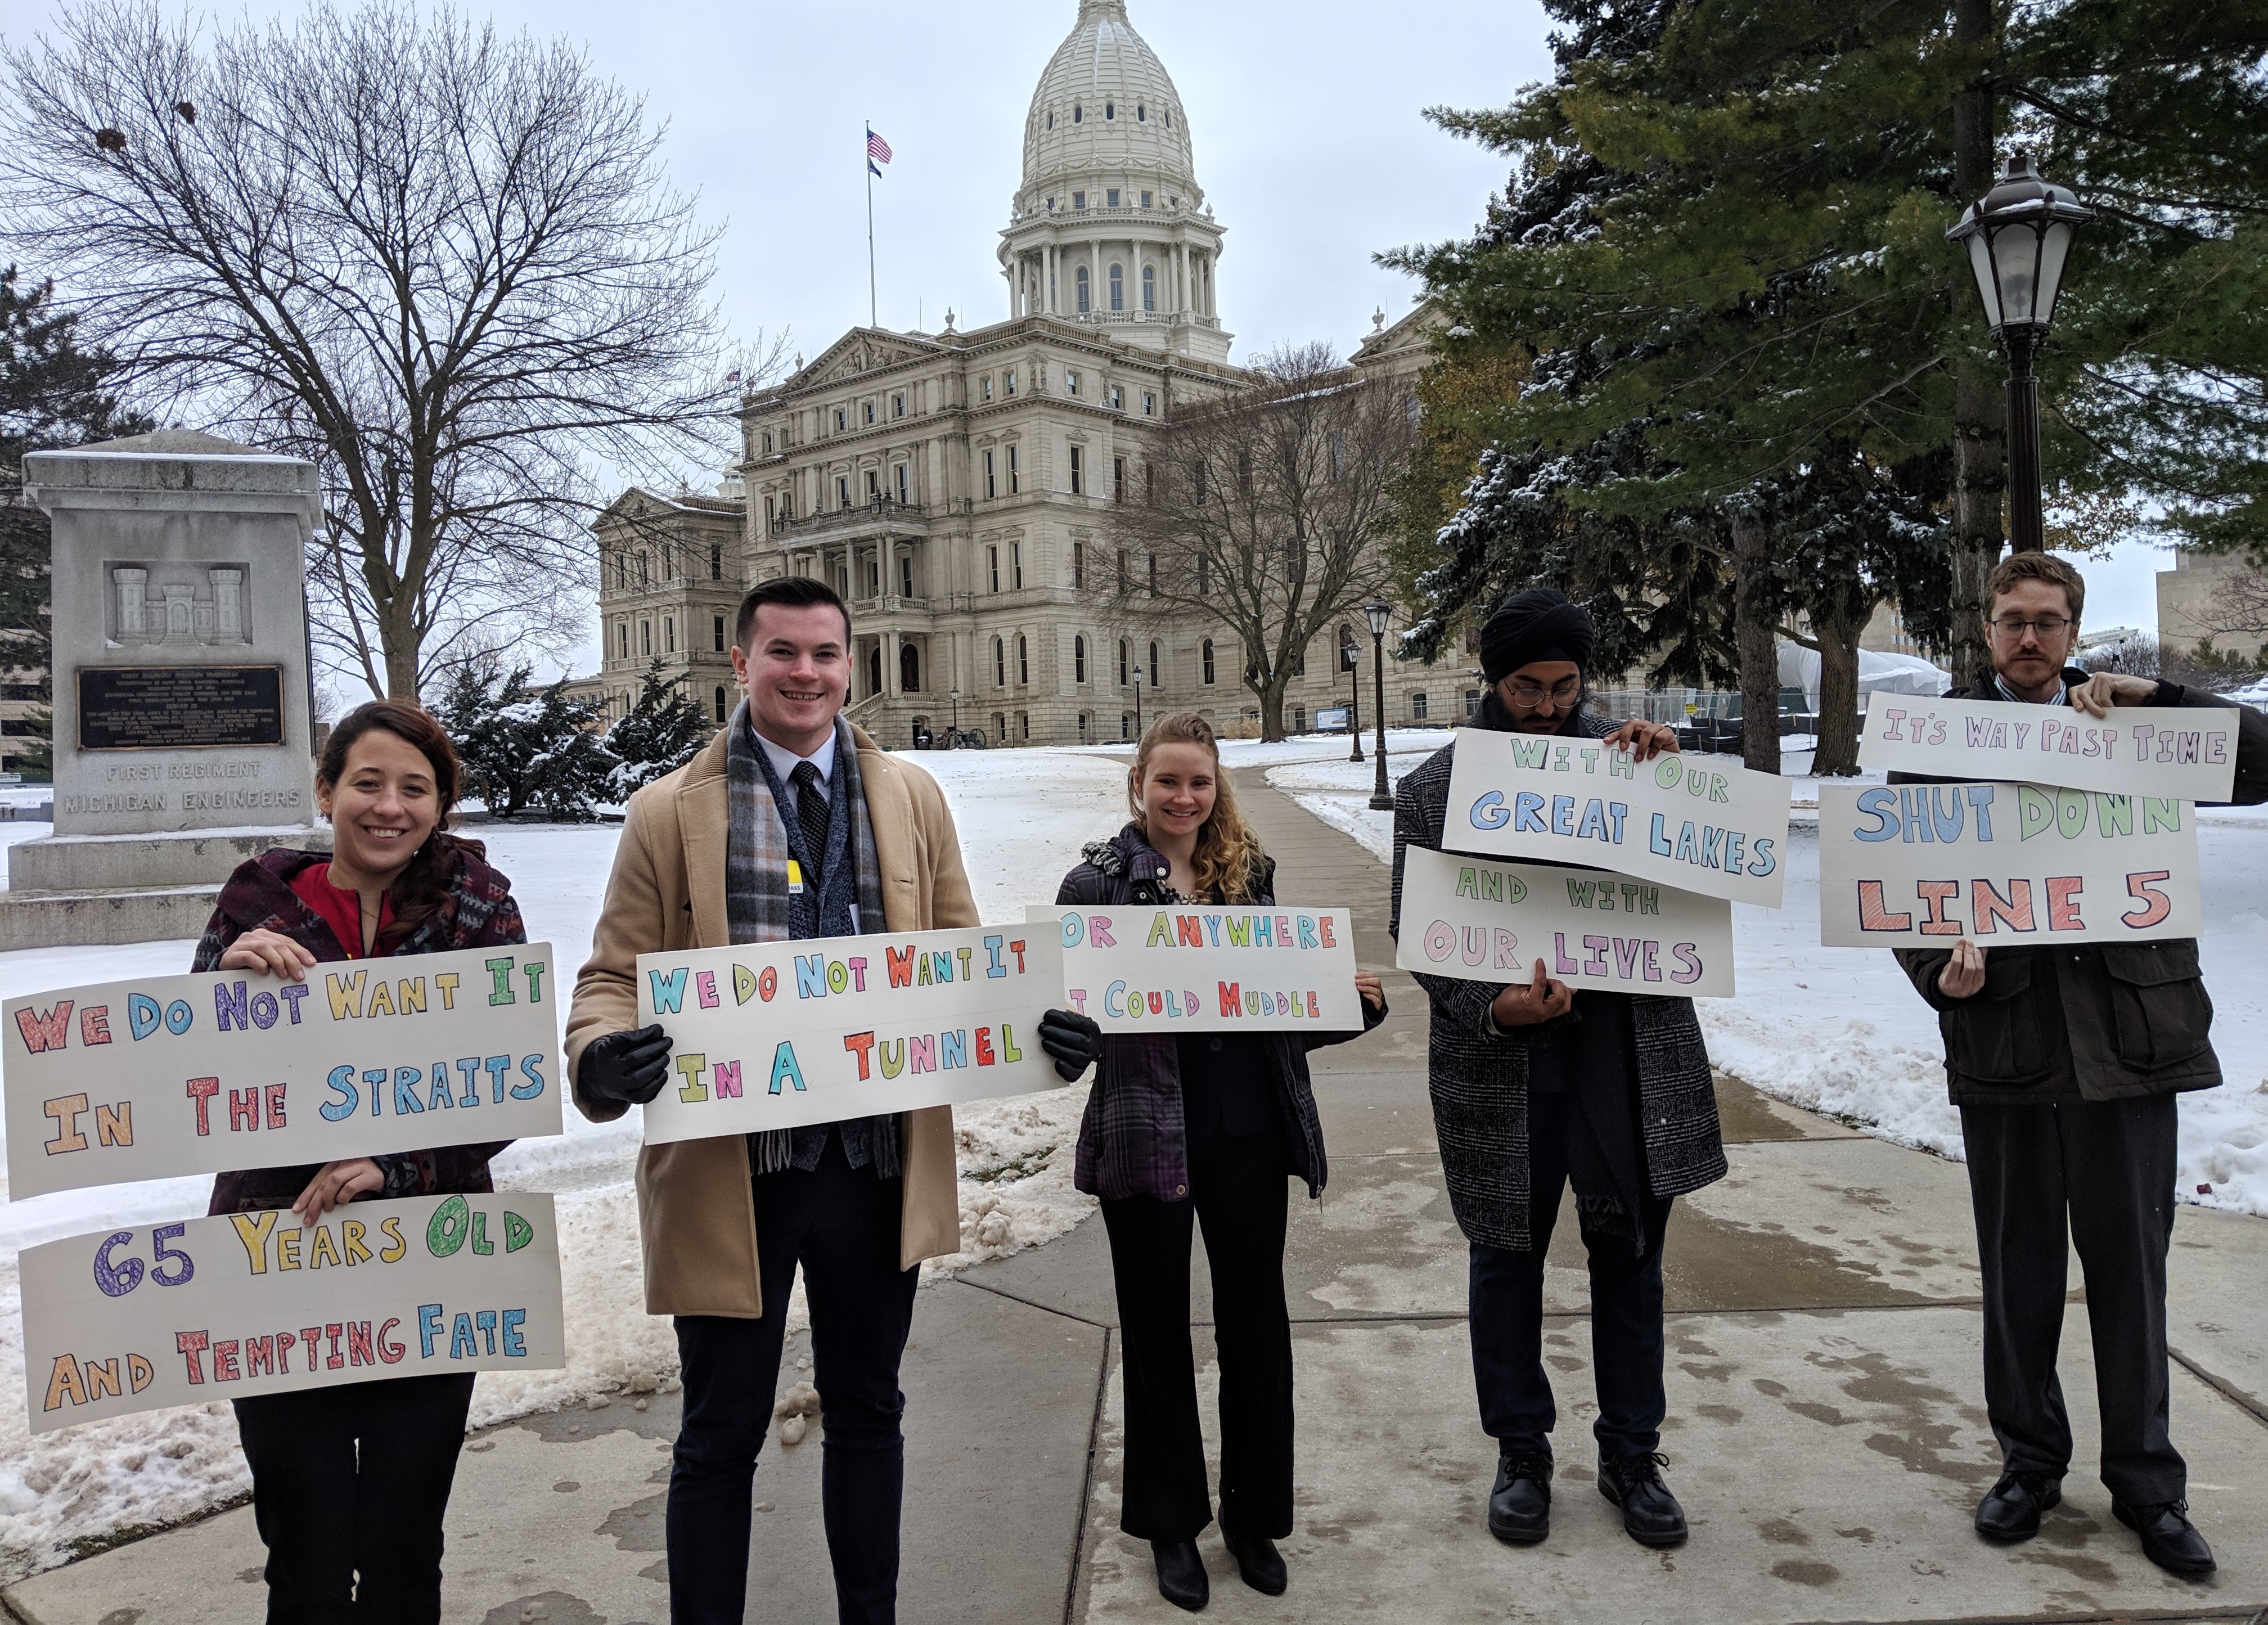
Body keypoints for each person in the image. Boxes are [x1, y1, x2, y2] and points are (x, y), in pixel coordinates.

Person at [565, 575, 978, 1625]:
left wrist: (1039, 1030)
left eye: (825, 654)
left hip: (873, 1165)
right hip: (734, 1174)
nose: (806, 673)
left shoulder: (913, 798)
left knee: (870, 1414)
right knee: (719, 1434)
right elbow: (614, 973)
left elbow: (965, 964)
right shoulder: (670, 810)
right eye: (783, 653)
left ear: (851, 665)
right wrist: (602, 1055)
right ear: (741, 663)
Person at [1893, 551, 2268, 1579]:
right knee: (2018, 1277)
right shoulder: (1940, 742)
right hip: (2007, 1040)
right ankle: (2030, 1463)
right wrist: (1940, 972)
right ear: (1985, 631)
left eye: (2047, 621)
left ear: (2073, 630)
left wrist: (2167, 696)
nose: (2028, 636)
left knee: (2131, 1281)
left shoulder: (2138, 727)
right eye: (2012, 619)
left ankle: (2149, 1485)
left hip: (2131, 1042)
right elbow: (1900, 882)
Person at [1388, 588, 1726, 1550]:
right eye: (1526, 687)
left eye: (1563, 685)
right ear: (1491, 680)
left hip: (1624, 1053)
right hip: (1504, 1065)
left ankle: (1631, 1453)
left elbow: (1697, 881)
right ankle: (1521, 1450)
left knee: (1630, 1259)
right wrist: (1493, 1007)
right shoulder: (1433, 789)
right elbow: (1426, 934)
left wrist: (1675, 779)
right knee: (1506, 1259)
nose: (1545, 704)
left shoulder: (1636, 761)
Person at [1034, 712, 1387, 1612]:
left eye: (1199, 783)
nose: (1184, 798)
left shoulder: (1249, 874)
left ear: (1216, 786)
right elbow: (1067, 1027)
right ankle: (1169, 1524)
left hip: (1245, 1126)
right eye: (1168, 782)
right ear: (1138, 786)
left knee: (1255, 1324)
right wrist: (1059, 1037)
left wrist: (1348, 1007)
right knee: (1154, 1331)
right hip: (1147, 1125)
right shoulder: (1095, 887)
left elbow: (1276, 1012)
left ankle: (1255, 1515)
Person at [194, 700, 528, 1624]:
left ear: (442, 802)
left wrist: (398, 1164)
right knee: (303, 1554)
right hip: (276, 1255)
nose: (390, 806)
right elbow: (184, 1084)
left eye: (415, 789)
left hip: (430, 1258)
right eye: (368, 783)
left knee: (403, 1551)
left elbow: (505, 1087)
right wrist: (223, 989)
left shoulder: (479, 907)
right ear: (327, 790)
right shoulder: (256, 900)